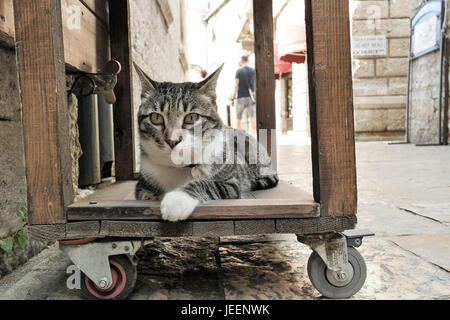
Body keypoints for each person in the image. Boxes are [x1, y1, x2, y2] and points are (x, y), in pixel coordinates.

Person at [230, 56, 256, 135]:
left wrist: (233, 98)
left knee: (238, 117)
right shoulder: (253, 71)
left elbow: (236, 85)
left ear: (241, 62)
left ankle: (239, 136)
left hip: (240, 96)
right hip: (250, 96)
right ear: (248, 61)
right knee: (252, 116)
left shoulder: (239, 71)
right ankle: (253, 134)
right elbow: (254, 84)